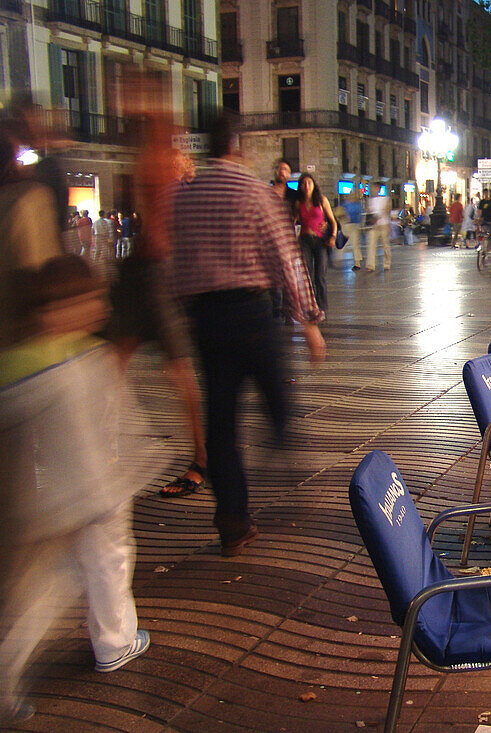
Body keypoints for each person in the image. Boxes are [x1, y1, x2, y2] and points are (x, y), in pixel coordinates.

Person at [1, 119, 149, 722]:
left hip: (51, 500)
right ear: (63, 308)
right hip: (96, 494)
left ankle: (9, 668)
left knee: (44, 587)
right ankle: (116, 641)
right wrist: (141, 463)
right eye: (90, 301)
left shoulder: (24, 363)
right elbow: (122, 426)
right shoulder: (83, 362)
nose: (99, 308)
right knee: (111, 562)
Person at [168, 114, 325, 557]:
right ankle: (281, 437)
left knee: (221, 422)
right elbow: (287, 260)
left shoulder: (186, 196)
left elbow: (175, 263)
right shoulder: (256, 193)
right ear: (237, 147)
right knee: (275, 387)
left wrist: (186, 312)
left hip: (207, 319)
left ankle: (233, 521)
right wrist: (309, 321)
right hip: (252, 312)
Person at [107, 105, 207, 500]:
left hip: (155, 274)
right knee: (112, 365)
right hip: (141, 272)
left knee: (178, 371)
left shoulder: (165, 163)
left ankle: (201, 458)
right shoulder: (154, 160)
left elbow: (176, 229)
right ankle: (105, 457)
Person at [295, 173, 337, 313]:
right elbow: (293, 220)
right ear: (300, 186)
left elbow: (332, 221)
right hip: (305, 241)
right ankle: (312, 306)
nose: (306, 186)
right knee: (308, 276)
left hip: (320, 242)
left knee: (320, 276)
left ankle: (323, 307)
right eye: (304, 183)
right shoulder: (298, 203)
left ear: (314, 185)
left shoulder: (321, 200)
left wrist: (333, 236)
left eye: (309, 183)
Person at [365, 182, 391, 271]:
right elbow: (369, 212)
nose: (373, 190)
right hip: (374, 226)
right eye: (373, 188)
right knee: (371, 245)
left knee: (385, 246)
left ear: (379, 189)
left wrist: (377, 217)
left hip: (383, 224)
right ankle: (370, 265)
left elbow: (387, 211)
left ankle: (386, 263)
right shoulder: (370, 200)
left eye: (375, 188)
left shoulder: (386, 199)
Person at [335, 193, 364, 271]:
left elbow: (338, 214)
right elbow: (360, 216)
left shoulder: (345, 204)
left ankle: (357, 263)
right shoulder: (356, 205)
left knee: (352, 244)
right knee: (354, 245)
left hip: (350, 226)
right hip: (349, 226)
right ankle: (357, 262)